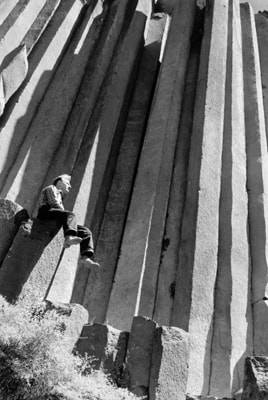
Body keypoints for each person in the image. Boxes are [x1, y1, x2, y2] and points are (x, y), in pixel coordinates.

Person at [37, 174, 100, 269]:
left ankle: (85, 257)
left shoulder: (60, 196)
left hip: (56, 215)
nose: (70, 186)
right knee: (70, 215)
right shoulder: (51, 188)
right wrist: (66, 216)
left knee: (85, 231)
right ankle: (68, 237)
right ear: (59, 182)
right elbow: (53, 203)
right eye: (67, 183)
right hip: (45, 213)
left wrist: (66, 219)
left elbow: (61, 211)